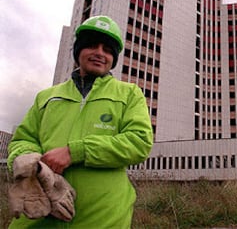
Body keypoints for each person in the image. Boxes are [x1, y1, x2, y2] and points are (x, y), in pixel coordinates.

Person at [7, 15, 154, 228]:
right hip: (39, 215)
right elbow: (23, 139)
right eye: (92, 45)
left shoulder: (130, 94)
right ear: (78, 51)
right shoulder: (46, 96)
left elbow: (139, 142)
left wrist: (75, 151)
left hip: (104, 218)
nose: (99, 53)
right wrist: (29, 161)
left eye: (107, 49)